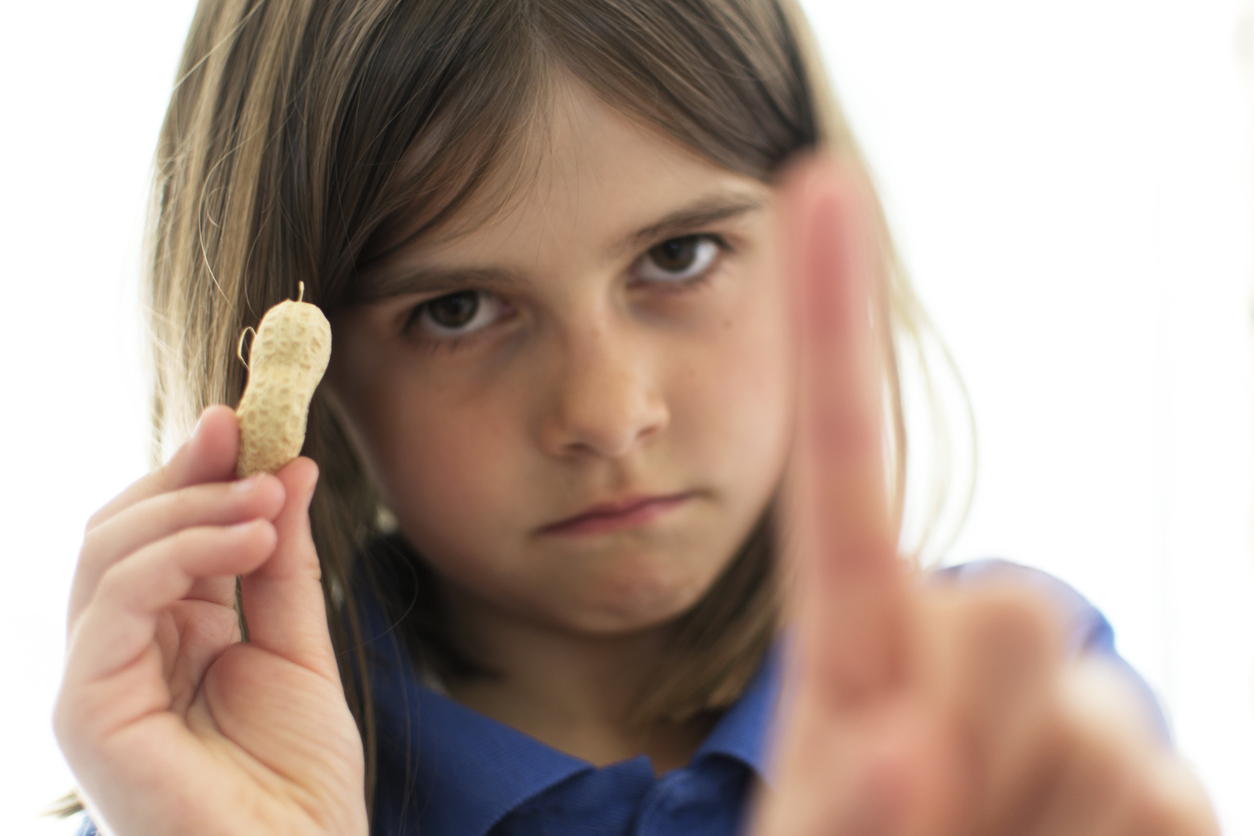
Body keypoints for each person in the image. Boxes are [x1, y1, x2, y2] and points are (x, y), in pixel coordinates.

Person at [53, 1, 1217, 834]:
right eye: (457, 309)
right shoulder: (214, 788)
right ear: (298, 378)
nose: (609, 414)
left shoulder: (1013, 707)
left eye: (681, 253)